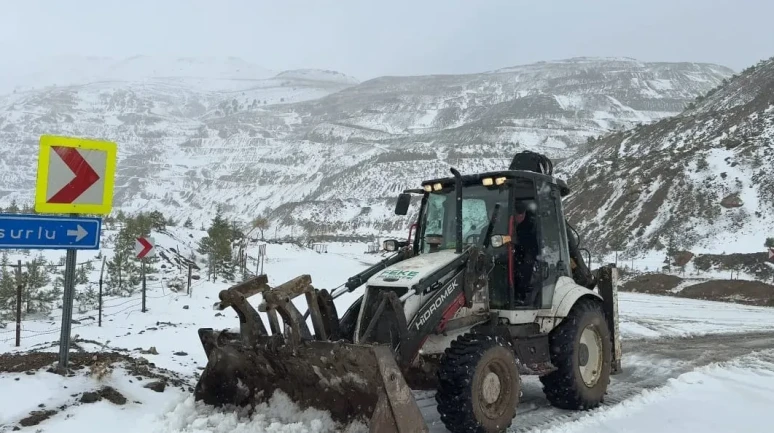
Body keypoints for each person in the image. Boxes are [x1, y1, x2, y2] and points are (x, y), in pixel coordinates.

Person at [513, 201, 538, 303]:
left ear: (524, 213)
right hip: (514, 253)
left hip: (527, 253)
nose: (519, 217)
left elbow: (532, 245)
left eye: (521, 214)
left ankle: (520, 295)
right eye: (517, 214)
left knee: (525, 267)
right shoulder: (507, 225)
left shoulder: (529, 226)